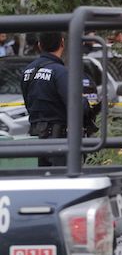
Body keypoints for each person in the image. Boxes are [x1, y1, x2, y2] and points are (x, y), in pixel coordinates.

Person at [21, 32, 96, 166]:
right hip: (59, 141)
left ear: (39, 45)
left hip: (35, 138)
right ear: (62, 43)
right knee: (61, 181)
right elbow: (76, 106)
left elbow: (28, 103)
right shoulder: (61, 72)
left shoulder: (28, 71)